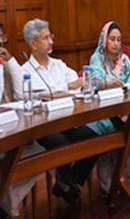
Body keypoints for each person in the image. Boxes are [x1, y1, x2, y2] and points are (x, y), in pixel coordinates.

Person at [21, 19, 97, 206]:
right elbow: (41, 97)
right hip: (44, 127)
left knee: (93, 138)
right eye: (46, 38)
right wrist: (66, 88)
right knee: (61, 143)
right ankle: (67, 185)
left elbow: (79, 83)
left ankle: (66, 182)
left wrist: (63, 90)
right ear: (33, 44)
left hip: (68, 121)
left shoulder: (59, 65)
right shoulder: (26, 72)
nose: (51, 41)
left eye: (51, 36)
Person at [87, 22, 130, 195]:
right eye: (112, 39)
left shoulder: (123, 59)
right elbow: (93, 82)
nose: (116, 43)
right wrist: (108, 83)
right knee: (118, 129)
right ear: (104, 40)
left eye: (119, 40)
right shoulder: (97, 59)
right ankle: (111, 183)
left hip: (124, 107)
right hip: (105, 111)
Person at [0, 23, 43, 219]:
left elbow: (22, 94)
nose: (1, 43)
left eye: (2, 38)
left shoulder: (3, 65)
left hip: (6, 130)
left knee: (38, 153)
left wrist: (10, 63)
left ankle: (4, 205)